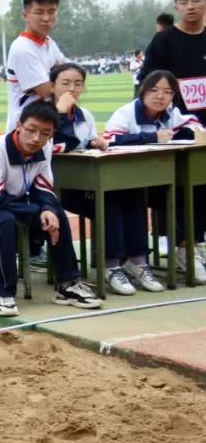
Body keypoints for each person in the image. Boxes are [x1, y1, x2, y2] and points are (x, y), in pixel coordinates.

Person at [0, 101, 102, 316]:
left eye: (44, 133)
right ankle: (3, 293)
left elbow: (43, 185)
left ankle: (67, 284)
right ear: (18, 125)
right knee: (4, 221)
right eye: (31, 130)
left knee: (56, 213)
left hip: (11, 197)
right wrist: (36, 213)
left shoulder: (45, 147)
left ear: (51, 135)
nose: (36, 138)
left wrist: (48, 209)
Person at [51, 64, 164, 296]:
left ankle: (138, 260)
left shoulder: (85, 116)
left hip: (86, 181)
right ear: (52, 86)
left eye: (78, 83)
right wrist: (59, 114)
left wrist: (96, 143)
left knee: (130, 191)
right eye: (65, 83)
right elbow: (57, 146)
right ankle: (110, 265)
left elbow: (89, 140)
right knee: (108, 199)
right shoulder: (41, 113)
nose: (72, 88)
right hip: (57, 187)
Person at [102, 69, 206, 282]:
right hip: (127, 181)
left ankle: (187, 249)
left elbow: (190, 123)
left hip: (159, 180)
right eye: (155, 90)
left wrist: (193, 131)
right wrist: (151, 137)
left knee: (190, 190)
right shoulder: (127, 112)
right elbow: (110, 138)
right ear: (143, 92)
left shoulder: (170, 112)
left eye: (168, 92)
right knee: (142, 197)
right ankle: (134, 259)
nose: (161, 96)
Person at [140, 0, 206, 126]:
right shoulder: (163, 39)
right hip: (177, 119)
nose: (190, 7)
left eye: (196, 0)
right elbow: (148, 78)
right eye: (184, 2)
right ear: (176, 8)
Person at [5, 0, 65, 132]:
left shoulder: (49, 43)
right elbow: (47, 91)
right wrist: (64, 84)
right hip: (24, 131)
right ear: (25, 15)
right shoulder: (23, 48)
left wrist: (64, 82)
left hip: (44, 126)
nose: (46, 18)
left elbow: (69, 75)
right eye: (39, 12)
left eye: (51, 12)